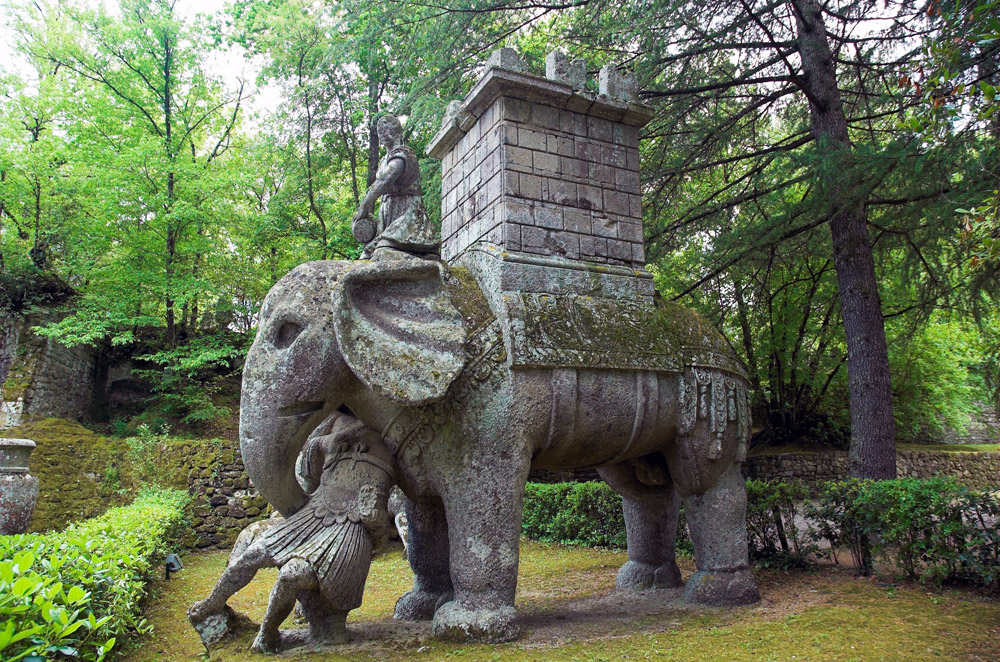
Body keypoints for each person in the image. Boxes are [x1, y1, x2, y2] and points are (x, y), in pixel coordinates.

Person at [188, 413, 395, 654]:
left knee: (291, 575)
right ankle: (212, 603)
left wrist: (373, 517)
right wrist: (327, 442)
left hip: (348, 530)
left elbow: (380, 535)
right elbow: (309, 464)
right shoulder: (335, 423)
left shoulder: (391, 441)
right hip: (315, 511)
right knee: (252, 554)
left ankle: (267, 633)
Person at [351, 115, 440, 259]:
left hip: (407, 214)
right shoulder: (384, 160)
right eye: (380, 131)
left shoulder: (404, 154)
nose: (383, 134)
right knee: (367, 254)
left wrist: (365, 205)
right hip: (387, 213)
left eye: (387, 130)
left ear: (397, 131)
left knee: (384, 251)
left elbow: (385, 180)